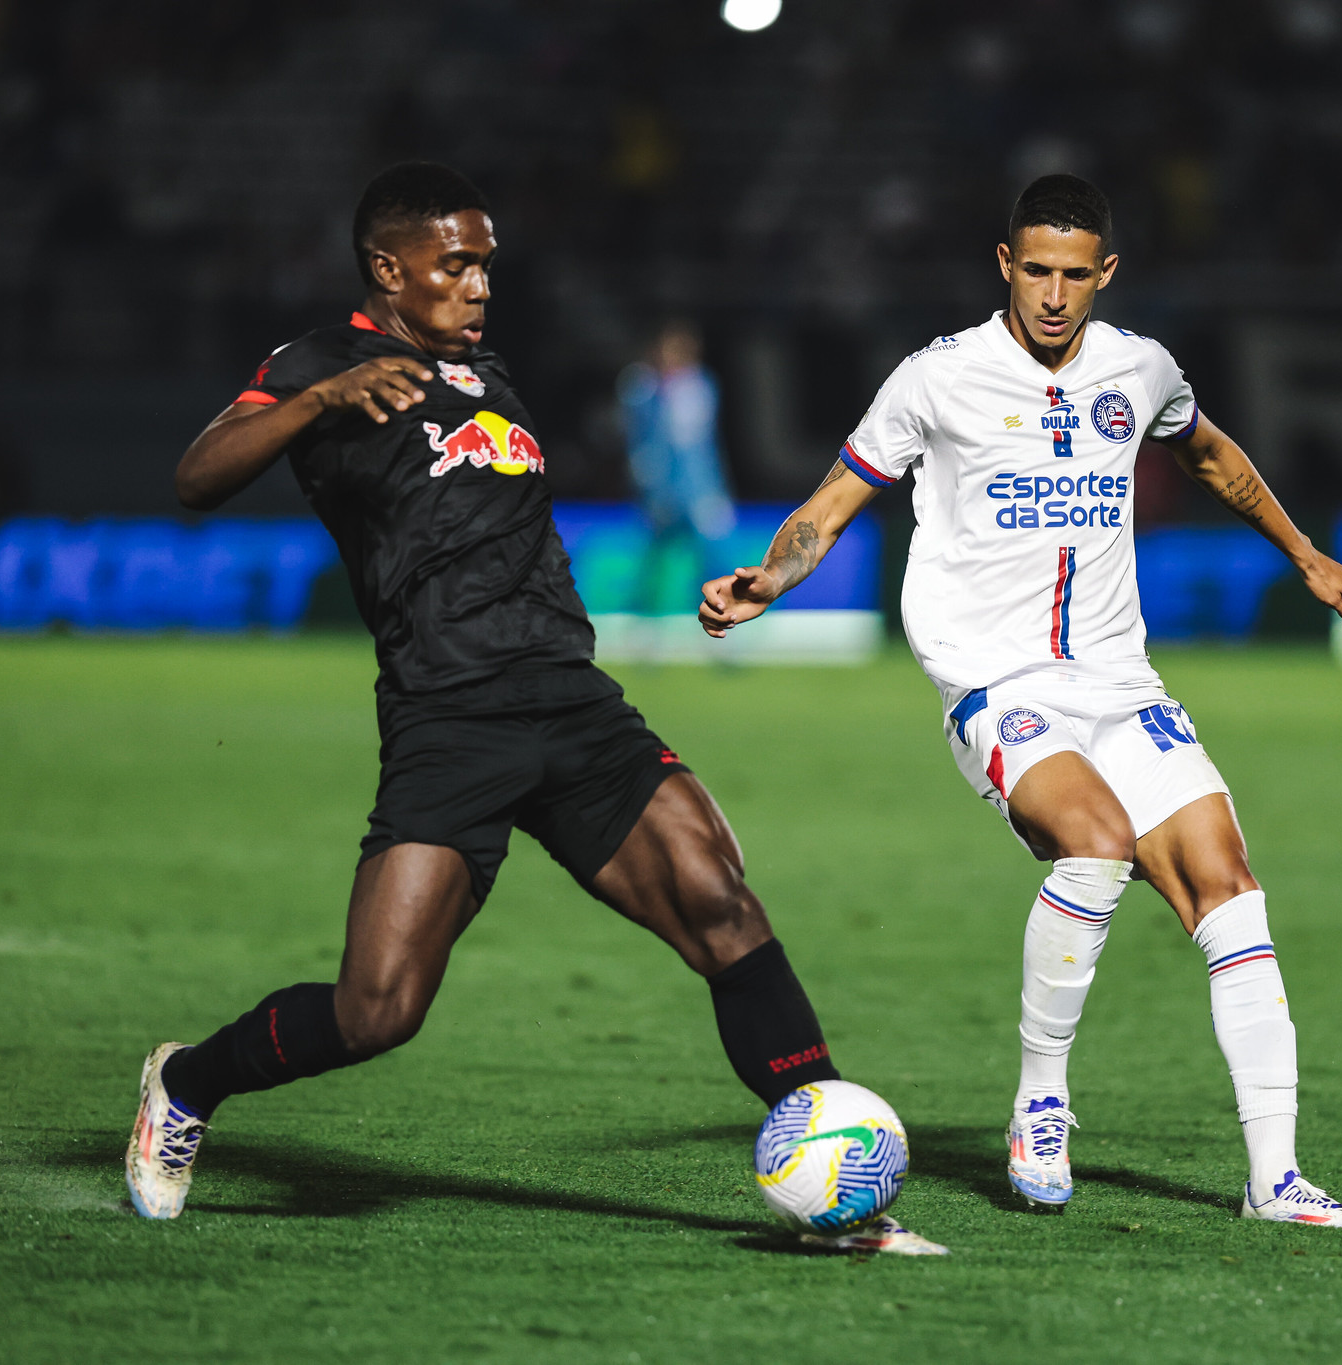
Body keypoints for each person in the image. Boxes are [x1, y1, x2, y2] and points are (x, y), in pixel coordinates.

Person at [127, 162, 941, 1255]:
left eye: (486, 266)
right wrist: (318, 401)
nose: (477, 286)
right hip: (448, 717)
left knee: (722, 906)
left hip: (572, 705)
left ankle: (841, 1182)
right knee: (378, 1011)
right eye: (454, 264)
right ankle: (186, 1081)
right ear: (388, 268)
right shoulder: (321, 365)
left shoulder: (489, 376)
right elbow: (195, 476)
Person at [700, 174, 1342, 1229]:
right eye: (1036, 271)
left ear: (1105, 273)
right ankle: (1039, 1100)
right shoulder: (938, 378)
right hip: (996, 682)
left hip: (1120, 681)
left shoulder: (1138, 367)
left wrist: (1302, 553)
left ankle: (1275, 1179)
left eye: (1076, 274)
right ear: (1003, 265)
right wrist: (767, 578)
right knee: (1095, 844)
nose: (1054, 295)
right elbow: (832, 502)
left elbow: (1206, 451)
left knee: (1229, 888)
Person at [617, 322, 737, 615]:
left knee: (712, 559)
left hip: (700, 489)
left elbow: (706, 445)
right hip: (661, 491)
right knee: (655, 561)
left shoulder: (702, 385)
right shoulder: (642, 387)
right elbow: (638, 441)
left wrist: (716, 490)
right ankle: (643, 627)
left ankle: (718, 623)